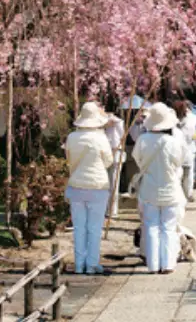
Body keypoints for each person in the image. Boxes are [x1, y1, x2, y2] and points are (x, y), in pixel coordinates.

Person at [132, 103, 186, 274]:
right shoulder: (173, 142)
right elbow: (179, 162)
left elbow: (137, 160)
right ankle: (168, 263)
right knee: (168, 227)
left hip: (149, 188)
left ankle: (153, 264)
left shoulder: (142, 140)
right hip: (170, 187)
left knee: (151, 226)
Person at [64, 102, 114, 275]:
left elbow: (69, 160)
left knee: (79, 227)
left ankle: (79, 264)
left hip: (76, 185)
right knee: (94, 227)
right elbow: (108, 161)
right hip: (98, 186)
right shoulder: (101, 138)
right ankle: (92, 263)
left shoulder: (72, 137)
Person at [174, 100, 196, 203]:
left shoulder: (170, 120)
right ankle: (187, 194)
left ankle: (182, 194)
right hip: (188, 149)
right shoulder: (194, 119)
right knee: (188, 174)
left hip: (177, 150)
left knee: (178, 174)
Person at [103, 110, 125, 219]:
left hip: (116, 152)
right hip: (104, 153)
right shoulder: (100, 121)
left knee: (114, 183)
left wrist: (114, 122)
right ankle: (105, 208)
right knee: (104, 183)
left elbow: (123, 135)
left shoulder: (119, 122)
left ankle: (112, 210)